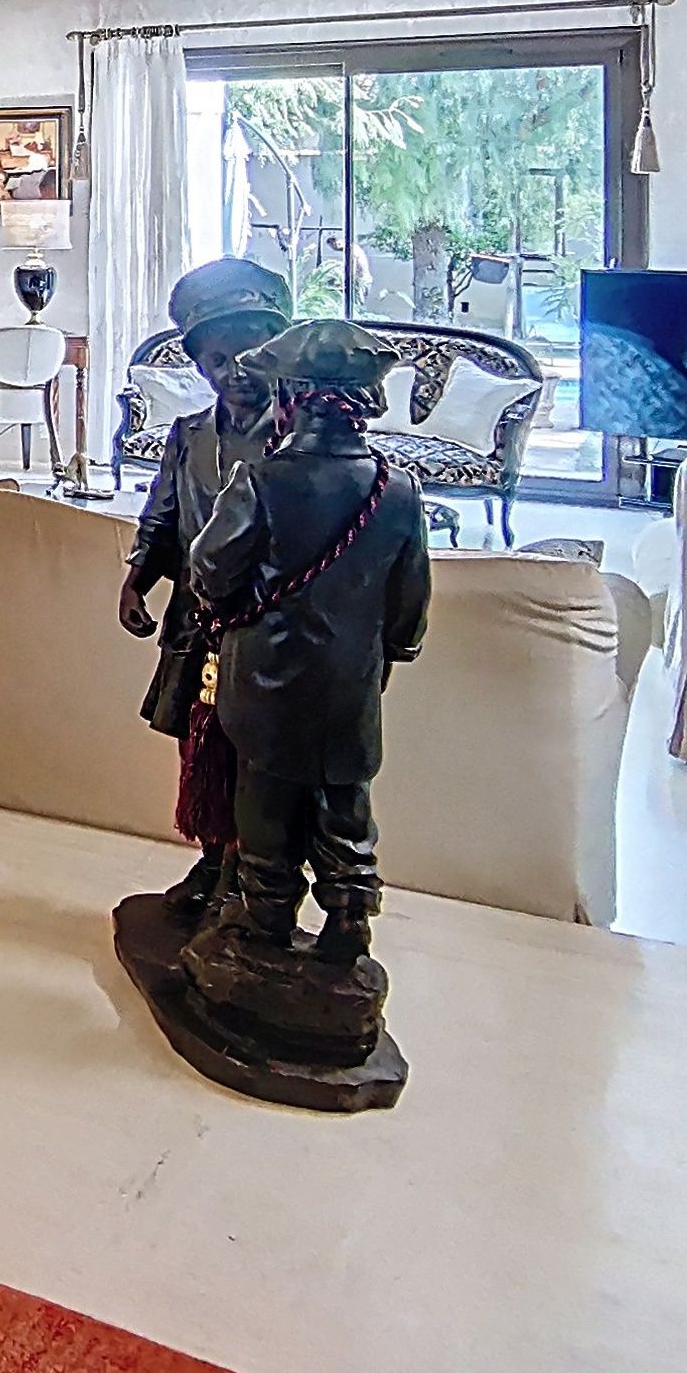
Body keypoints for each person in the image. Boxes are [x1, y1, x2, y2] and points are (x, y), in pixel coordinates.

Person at [185, 319, 432, 964]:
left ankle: (265, 921)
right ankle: (349, 920)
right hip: (351, 685)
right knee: (345, 804)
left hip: (265, 683)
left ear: (291, 398)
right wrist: (387, 654)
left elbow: (210, 569)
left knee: (266, 803)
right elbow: (409, 602)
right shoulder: (398, 489)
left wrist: (228, 609)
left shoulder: (261, 481)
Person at [119, 258, 293, 918]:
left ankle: (255, 872)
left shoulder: (300, 441)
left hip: (268, 626)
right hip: (196, 624)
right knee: (202, 747)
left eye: (250, 355)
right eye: (217, 361)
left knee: (261, 754)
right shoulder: (188, 436)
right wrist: (138, 579)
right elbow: (162, 516)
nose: (234, 372)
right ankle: (214, 858)